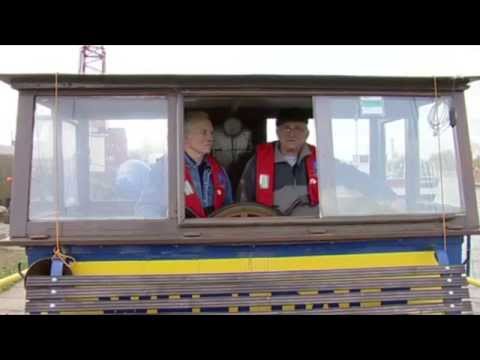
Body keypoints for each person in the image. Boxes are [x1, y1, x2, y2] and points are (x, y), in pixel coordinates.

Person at [238, 108, 399, 216]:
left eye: (298, 128)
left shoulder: (321, 160)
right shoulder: (257, 163)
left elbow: (354, 177)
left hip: (313, 234)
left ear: (307, 133)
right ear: (277, 131)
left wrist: (388, 195)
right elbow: (243, 202)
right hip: (271, 235)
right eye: (287, 128)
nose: (292, 133)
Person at [136, 111, 233, 218]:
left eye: (211, 133)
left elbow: (230, 208)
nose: (210, 138)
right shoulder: (165, 168)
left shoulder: (218, 170)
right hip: (182, 233)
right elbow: (146, 208)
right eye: (204, 132)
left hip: (215, 233)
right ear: (185, 137)